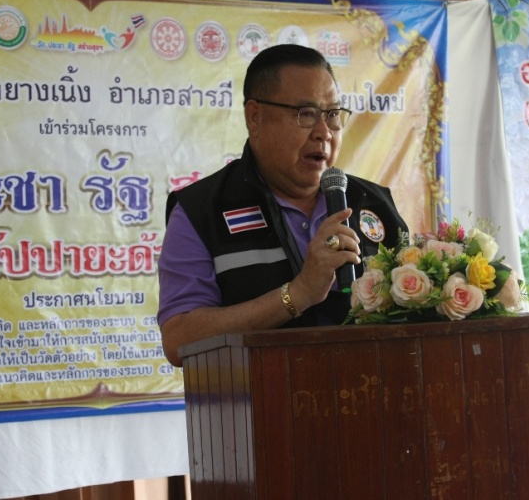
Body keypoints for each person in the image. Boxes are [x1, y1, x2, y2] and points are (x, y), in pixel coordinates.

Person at [157, 44, 408, 366]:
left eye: (332, 115)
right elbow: (179, 339)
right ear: (255, 117)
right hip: (260, 396)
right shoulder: (200, 210)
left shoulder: (373, 203)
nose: (324, 133)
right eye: (306, 114)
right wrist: (298, 293)